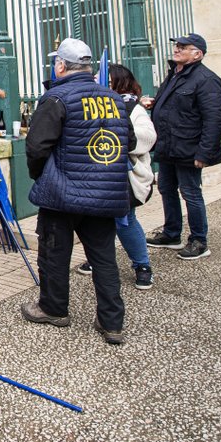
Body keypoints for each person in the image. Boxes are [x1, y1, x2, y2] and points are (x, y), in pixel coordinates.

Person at [20, 38, 133, 345]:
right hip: (103, 192)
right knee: (104, 258)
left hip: (63, 193)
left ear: (60, 66)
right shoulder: (113, 98)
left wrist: (39, 176)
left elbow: (37, 146)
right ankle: (112, 322)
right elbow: (130, 143)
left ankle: (53, 308)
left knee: (55, 253)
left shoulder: (56, 98)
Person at [141, 33, 221, 261]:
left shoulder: (206, 79)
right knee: (166, 189)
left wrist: (205, 152)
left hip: (189, 147)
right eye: (176, 45)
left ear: (197, 54)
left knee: (191, 193)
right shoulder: (175, 74)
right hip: (168, 145)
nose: (176, 49)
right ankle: (172, 234)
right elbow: (175, 106)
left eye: (183, 46)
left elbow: (215, 119)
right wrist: (154, 103)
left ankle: (199, 240)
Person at [76, 64, 156, 289]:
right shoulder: (93, 105)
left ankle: (142, 265)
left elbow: (147, 138)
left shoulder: (132, 108)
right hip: (98, 172)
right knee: (97, 222)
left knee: (125, 222)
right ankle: (97, 259)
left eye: (107, 82)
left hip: (123, 176)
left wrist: (116, 136)